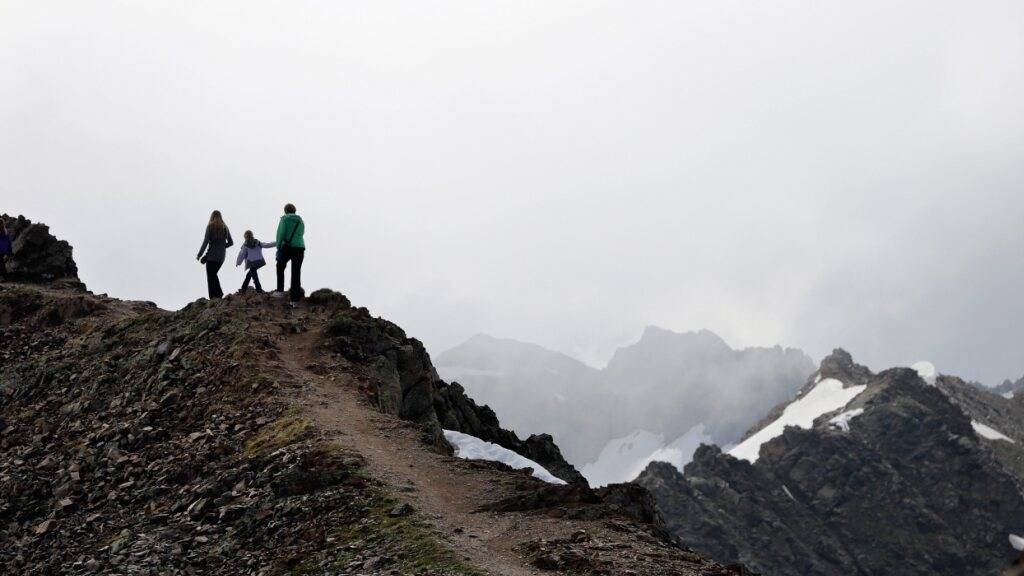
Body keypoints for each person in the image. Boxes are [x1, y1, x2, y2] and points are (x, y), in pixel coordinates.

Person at [196, 210, 234, 299]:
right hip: (221, 257)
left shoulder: (210, 226)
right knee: (213, 274)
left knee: (211, 276)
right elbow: (231, 243)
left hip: (212, 256)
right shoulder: (225, 227)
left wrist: (199, 255)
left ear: (212, 216)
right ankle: (218, 295)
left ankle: (215, 296)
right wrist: (222, 246)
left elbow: (205, 242)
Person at [275, 203, 306, 303]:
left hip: (288, 247)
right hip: (300, 247)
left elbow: (281, 233)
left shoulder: (284, 219)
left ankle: (280, 291)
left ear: (285, 211)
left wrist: (279, 245)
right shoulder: (300, 221)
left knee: (280, 266)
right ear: (294, 210)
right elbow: (301, 233)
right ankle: (295, 300)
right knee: (296, 272)